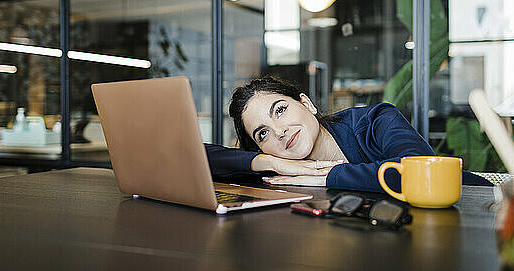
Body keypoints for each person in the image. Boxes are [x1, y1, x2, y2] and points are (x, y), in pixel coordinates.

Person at [204, 76, 490, 192]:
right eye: (262, 133)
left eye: (280, 110)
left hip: (477, 210)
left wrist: (328, 176)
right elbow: (194, 158)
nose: (279, 132)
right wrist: (269, 163)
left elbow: (420, 170)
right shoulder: (275, 165)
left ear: (307, 104)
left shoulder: (375, 120)